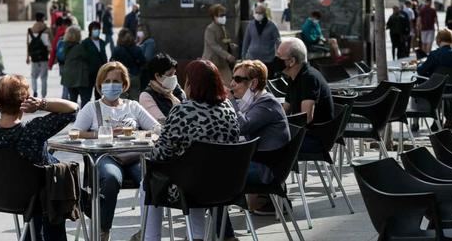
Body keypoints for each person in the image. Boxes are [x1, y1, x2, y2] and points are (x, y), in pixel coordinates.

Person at [143, 59, 239, 241]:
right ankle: (196, 236)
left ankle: (151, 238)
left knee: (148, 182)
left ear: (192, 84)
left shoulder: (183, 111)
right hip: (226, 185)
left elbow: (160, 155)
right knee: (194, 172)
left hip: (190, 188)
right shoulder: (229, 108)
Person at [0, 75, 77, 241]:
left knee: (43, 182)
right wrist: (41, 103)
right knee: (53, 181)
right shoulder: (33, 130)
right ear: (25, 102)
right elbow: (73, 108)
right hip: (35, 199)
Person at [73, 62, 159, 241]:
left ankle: (146, 233)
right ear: (100, 84)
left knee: (151, 180)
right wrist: (101, 133)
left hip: (135, 156)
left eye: (116, 81)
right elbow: (75, 133)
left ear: (124, 84)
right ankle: (103, 230)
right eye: (107, 81)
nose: (111, 84)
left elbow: (157, 128)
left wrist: (139, 133)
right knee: (111, 178)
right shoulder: (92, 107)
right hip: (106, 157)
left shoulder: (132, 106)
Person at [230, 60, 290, 213]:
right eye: (232, 79)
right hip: (265, 163)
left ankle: (220, 229)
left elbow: (241, 127)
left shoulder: (266, 102)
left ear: (253, 83)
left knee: (219, 172)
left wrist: (230, 102)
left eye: (237, 80)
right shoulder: (256, 102)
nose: (232, 84)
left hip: (268, 171)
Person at [277, 37, 333, 153]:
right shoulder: (294, 77)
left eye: (279, 57)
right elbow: (285, 110)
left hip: (315, 139)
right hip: (304, 134)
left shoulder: (309, 78)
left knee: (268, 145)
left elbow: (306, 117)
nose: (276, 60)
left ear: (291, 61)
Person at [416, 29, 452, 129]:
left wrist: (419, 65)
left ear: (438, 40)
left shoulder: (435, 54)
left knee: (417, 84)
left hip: (435, 89)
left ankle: (419, 121)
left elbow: (421, 71)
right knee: (442, 87)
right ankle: (450, 118)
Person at [139, 53, 185, 122]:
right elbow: (162, 122)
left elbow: (187, 113)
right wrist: (170, 96)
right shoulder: (146, 96)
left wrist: (170, 95)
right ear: (157, 76)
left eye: (174, 73)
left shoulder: (177, 89)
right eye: (170, 74)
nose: (173, 77)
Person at [242, 5, 281, 77]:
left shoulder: (271, 26)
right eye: (256, 12)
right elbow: (246, 41)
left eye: (260, 13)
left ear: (264, 14)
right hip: (253, 58)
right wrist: (243, 56)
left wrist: (278, 55)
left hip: (268, 59)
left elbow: (278, 41)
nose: (258, 14)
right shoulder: (251, 25)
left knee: (266, 79)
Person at [202, 4, 237, 85]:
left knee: (229, 82)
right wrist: (227, 55)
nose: (223, 17)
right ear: (214, 16)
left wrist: (230, 45)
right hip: (212, 61)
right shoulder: (210, 29)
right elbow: (213, 45)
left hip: (222, 61)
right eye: (221, 15)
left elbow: (224, 41)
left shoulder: (223, 27)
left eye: (224, 15)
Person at [61, 26, 93, 107]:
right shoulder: (80, 47)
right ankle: (83, 118)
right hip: (80, 78)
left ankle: (73, 117)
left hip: (68, 77)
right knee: (85, 100)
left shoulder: (64, 45)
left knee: (72, 100)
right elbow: (88, 57)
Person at [111, 29, 146, 100]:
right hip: (134, 76)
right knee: (135, 99)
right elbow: (143, 62)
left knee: (121, 99)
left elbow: (112, 63)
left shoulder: (117, 50)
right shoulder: (137, 49)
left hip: (121, 76)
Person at [27, 12, 51, 98]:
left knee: (34, 76)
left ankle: (35, 91)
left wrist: (27, 57)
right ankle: (43, 95)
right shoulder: (47, 29)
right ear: (43, 18)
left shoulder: (30, 30)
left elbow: (28, 44)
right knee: (44, 77)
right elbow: (50, 44)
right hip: (44, 56)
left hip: (34, 57)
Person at [82, 21, 108, 100]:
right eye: (95, 29)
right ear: (90, 30)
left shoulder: (102, 42)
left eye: (98, 29)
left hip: (100, 73)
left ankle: (98, 111)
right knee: (87, 96)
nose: (97, 30)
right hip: (89, 73)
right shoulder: (85, 43)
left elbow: (104, 56)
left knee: (99, 96)